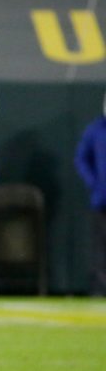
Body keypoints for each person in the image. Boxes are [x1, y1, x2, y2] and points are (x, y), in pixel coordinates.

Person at [74, 91, 106, 296]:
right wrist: (95, 184)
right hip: (102, 200)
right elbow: (81, 159)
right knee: (100, 248)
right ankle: (100, 289)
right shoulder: (95, 130)